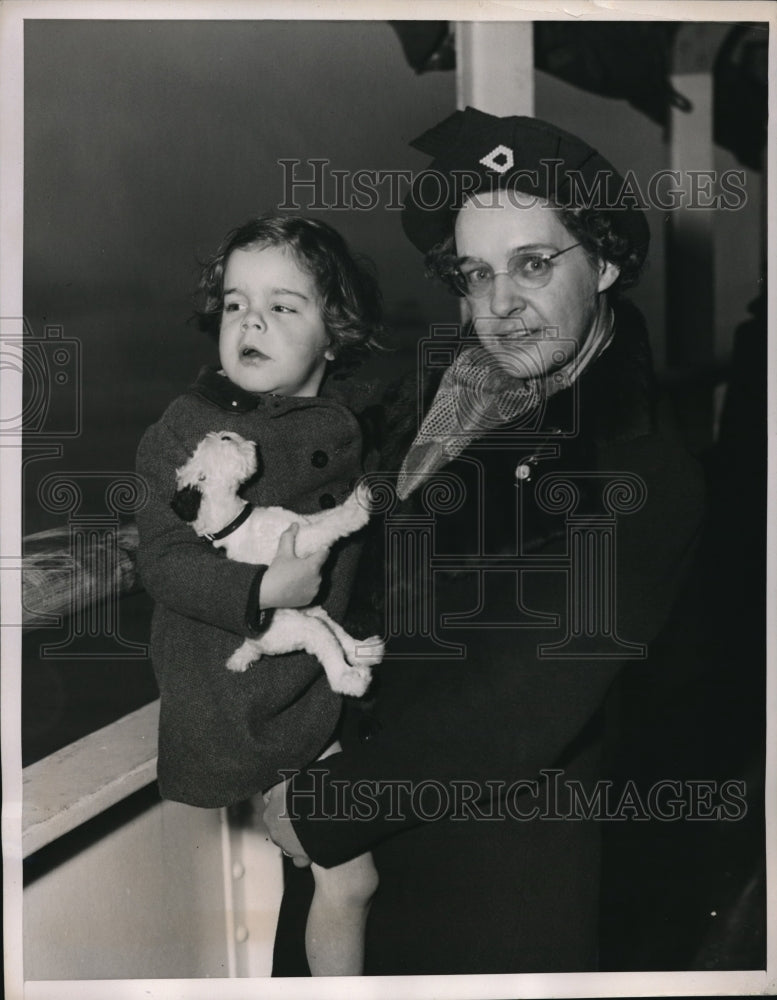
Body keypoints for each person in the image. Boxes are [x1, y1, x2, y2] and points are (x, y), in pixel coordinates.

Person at [263, 108, 706, 974]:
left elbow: (518, 711)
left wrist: (319, 807)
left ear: (606, 261)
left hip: (496, 871)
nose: (498, 306)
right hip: (361, 838)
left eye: (533, 265)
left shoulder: (640, 466)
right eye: (475, 274)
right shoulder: (451, 397)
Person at [135, 215, 382, 975]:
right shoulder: (189, 431)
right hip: (233, 688)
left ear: (333, 333)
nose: (250, 321)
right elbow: (165, 559)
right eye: (236, 303)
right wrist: (262, 585)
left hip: (312, 681)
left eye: (283, 307)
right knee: (350, 874)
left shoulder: (347, 424)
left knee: (351, 877)